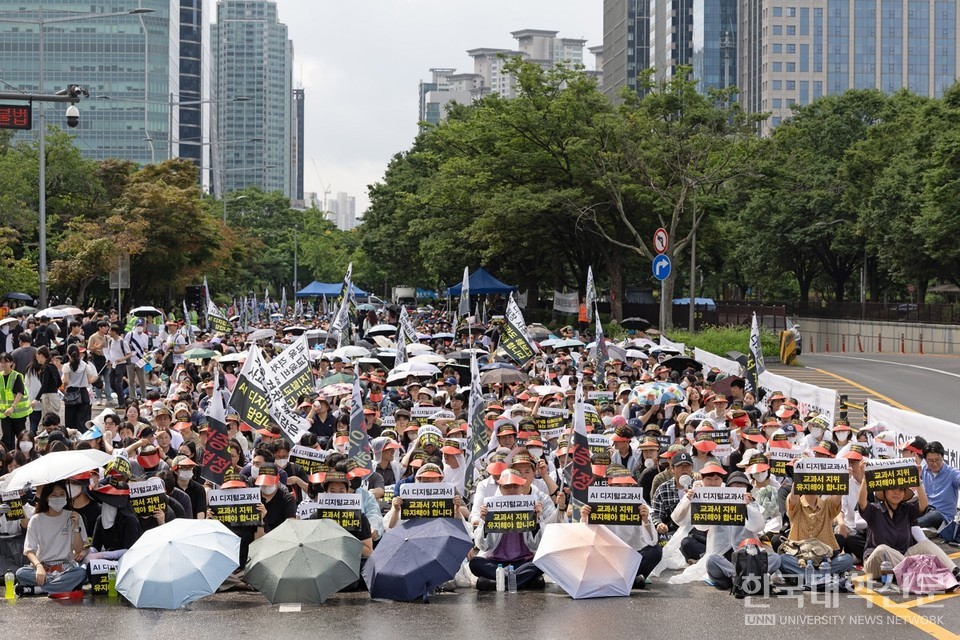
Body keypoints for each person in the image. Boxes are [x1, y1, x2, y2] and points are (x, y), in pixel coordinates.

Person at [858, 465, 958, 580]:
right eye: (893, 489)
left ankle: (955, 571)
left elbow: (924, 505)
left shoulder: (907, 510)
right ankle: (918, 573)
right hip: (877, 565)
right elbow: (862, 503)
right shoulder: (874, 510)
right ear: (884, 491)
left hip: (901, 559)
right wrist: (865, 480)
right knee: (882, 549)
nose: (897, 493)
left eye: (901, 489)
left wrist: (918, 481)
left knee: (925, 544)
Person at [470, 468, 546, 591]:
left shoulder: (530, 505)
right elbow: (483, 546)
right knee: (475, 563)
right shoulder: (491, 506)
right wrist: (485, 522)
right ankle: (516, 581)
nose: (511, 490)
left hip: (523, 561)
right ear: (500, 487)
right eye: (506, 486)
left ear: (522, 486)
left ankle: (501, 581)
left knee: (542, 563)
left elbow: (536, 545)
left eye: (515, 486)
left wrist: (537, 520)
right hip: (496, 562)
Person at [16, 481, 88, 594]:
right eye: (54, 495)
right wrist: (39, 567)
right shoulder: (36, 520)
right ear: (46, 498)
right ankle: (61, 586)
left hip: (66, 568)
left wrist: (76, 527)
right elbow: (29, 551)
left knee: (81, 573)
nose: (58, 498)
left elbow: (78, 549)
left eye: (62, 494)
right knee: (21, 573)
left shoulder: (74, 516)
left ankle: (39, 589)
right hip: (43, 567)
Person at [918, 441, 960, 532]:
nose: (935, 463)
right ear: (925, 459)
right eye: (931, 461)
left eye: (938, 460)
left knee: (935, 515)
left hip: (943, 517)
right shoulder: (924, 470)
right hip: (927, 510)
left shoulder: (952, 473)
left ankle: (909, 527)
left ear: (942, 457)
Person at [60, 345, 97, 433]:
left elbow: (66, 381)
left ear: (68, 354)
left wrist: (64, 389)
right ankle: (84, 438)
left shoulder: (67, 366)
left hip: (71, 393)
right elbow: (89, 381)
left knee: (70, 420)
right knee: (82, 420)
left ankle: (72, 440)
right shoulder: (85, 365)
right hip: (83, 393)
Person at [0, 352, 31, 452]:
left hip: (18, 413)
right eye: (1, 362)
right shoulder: (0, 376)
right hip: (5, 414)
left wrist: (12, 407)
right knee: (7, 438)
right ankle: (9, 460)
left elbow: (19, 393)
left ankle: (25, 457)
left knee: (21, 437)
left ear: (11, 363)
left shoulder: (16, 376)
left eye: (6, 362)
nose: (3, 364)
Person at [31, 347, 62, 421]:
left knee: (49, 421)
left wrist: (36, 399)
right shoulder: (53, 366)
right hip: (54, 395)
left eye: (37, 356)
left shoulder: (45, 368)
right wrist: (53, 387)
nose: (36, 358)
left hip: (47, 396)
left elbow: (44, 385)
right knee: (49, 419)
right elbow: (59, 382)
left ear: (41, 355)